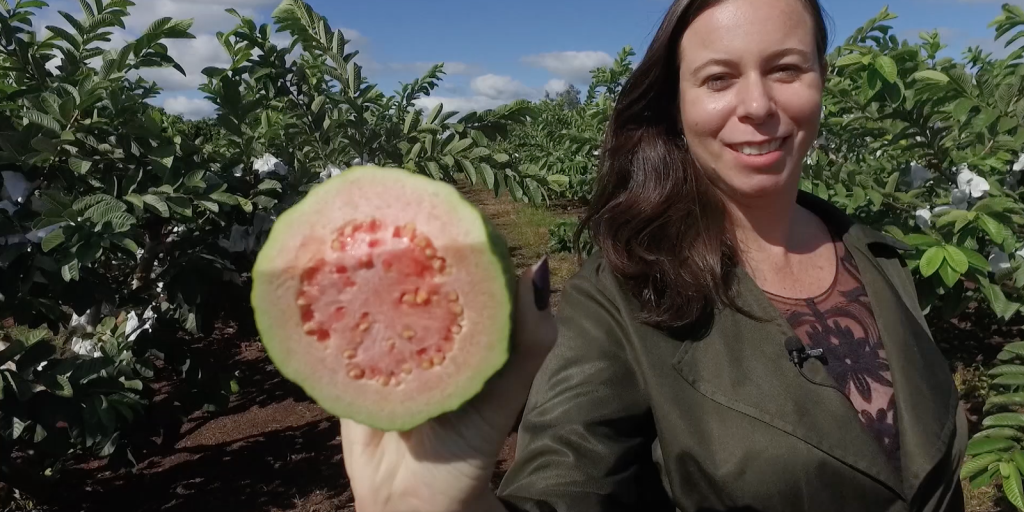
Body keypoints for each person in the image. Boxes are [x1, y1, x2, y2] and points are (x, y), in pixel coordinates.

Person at [339, 0, 969, 510]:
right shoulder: (621, 296)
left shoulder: (879, 256)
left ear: (820, 81)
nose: (757, 105)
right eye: (718, 78)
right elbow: (567, 484)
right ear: (677, 104)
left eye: (786, 68)